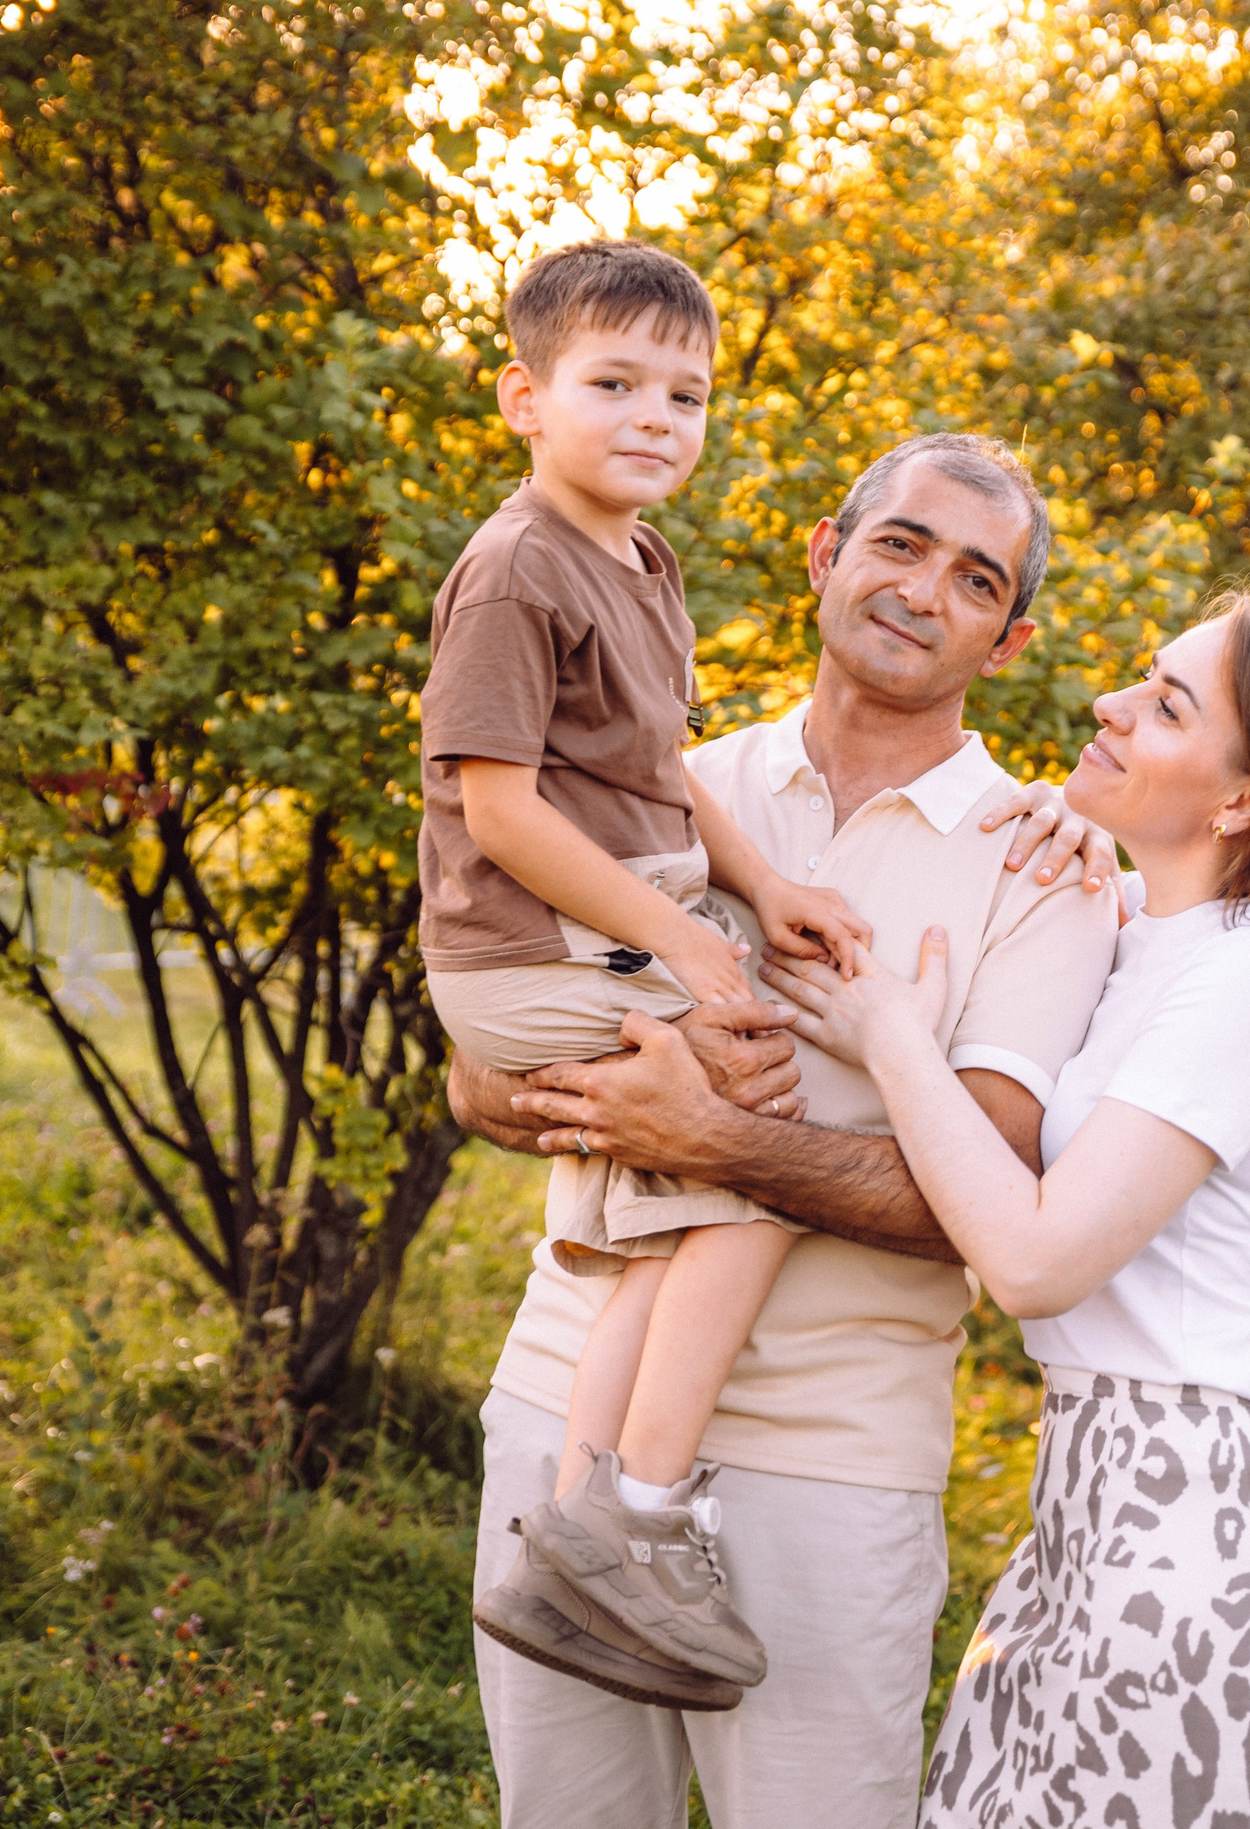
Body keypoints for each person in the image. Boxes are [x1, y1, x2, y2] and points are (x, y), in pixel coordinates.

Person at [449, 433, 1122, 1827]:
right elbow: (472, 1080)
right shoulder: (668, 781)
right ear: (827, 551)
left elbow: (985, 1196)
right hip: (562, 1404)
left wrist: (717, 1140)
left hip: (834, 1461)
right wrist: (599, 1097)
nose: (925, 590)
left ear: (1009, 641)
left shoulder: (1040, 865)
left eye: (976, 579)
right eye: (900, 544)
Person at [761, 591, 1250, 1828]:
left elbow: (1039, 1258)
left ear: (1242, 801)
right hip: (1101, 1504)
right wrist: (1083, 842)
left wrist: (895, 1034)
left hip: (1191, 1535)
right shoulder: (1163, 936)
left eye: (1165, 705)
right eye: (1140, 677)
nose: (1108, 703)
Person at [418, 239, 880, 1702]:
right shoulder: (511, 570)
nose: (653, 419)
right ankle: (639, 1509)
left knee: (681, 1187)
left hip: (601, 926)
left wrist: (760, 882)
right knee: (754, 1106)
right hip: (525, 945)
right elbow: (498, 810)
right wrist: (687, 940)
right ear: (523, 399)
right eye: (613, 384)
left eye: (685, 394)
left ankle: (578, 1522)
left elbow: (656, 768)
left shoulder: (642, 558)